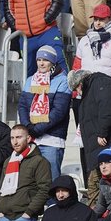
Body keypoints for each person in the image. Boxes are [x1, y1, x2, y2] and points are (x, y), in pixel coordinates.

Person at [0, 124, 51, 221]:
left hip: (24, 219)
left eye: (19, 137)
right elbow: (1, 188)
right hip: (5, 219)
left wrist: (29, 212)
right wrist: (0, 210)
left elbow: (45, 189)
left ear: (29, 138)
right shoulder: (8, 161)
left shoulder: (39, 161)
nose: (15, 141)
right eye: (12, 138)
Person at [17, 46, 71, 179]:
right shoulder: (30, 80)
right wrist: (27, 127)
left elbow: (58, 112)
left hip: (52, 140)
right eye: (39, 60)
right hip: (32, 139)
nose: (41, 63)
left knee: (51, 181)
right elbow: (22, 106)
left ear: (53, 62)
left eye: (45, 60)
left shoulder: (63, 81)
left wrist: (37, 129)